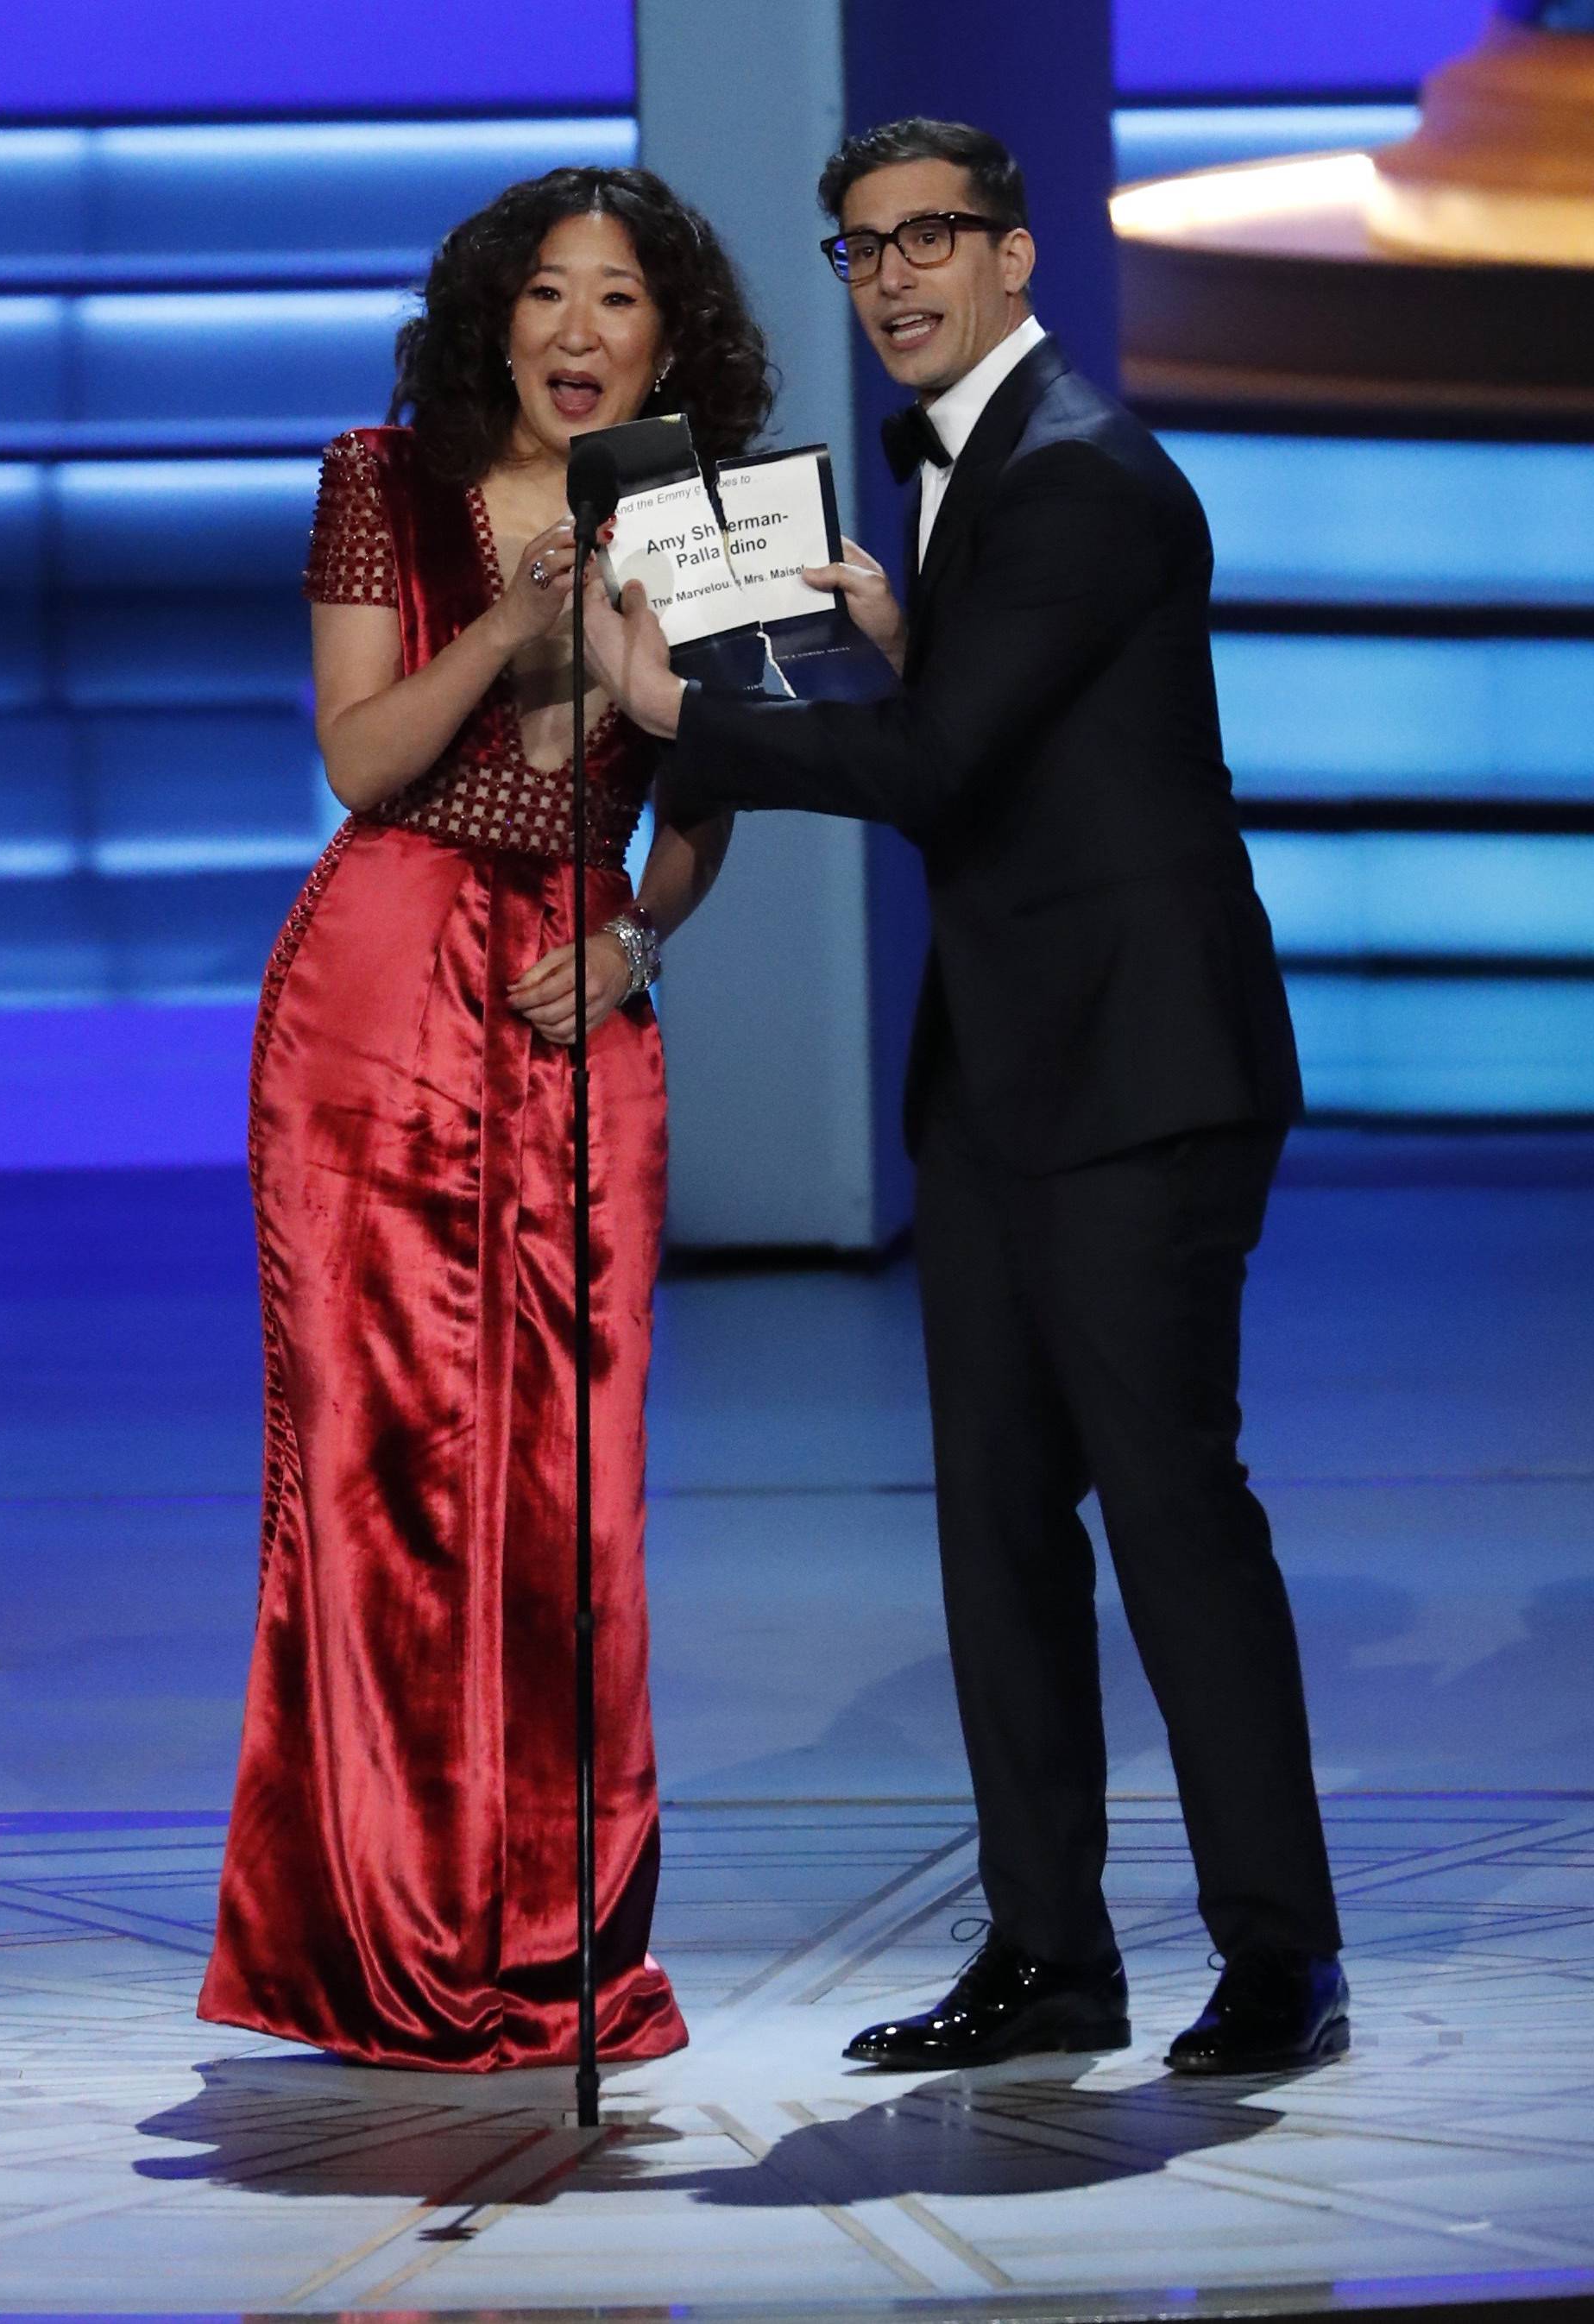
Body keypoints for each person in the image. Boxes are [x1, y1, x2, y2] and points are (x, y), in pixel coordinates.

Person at [583, 118, 1347, 2077]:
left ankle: (1279, 1954)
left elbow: (931, 775)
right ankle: (1050, 1957)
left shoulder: (1080, 476)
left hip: (1138, 1078)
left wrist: (681, 712)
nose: (895, 275)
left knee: (1174, 1514)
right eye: (860, 249)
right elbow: (990, 743)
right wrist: (911, 656)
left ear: (1015, 258)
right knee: (998, 1526)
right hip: (1005, 1076)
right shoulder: (986, 474)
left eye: (930, 239)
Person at [198, 167, 768, 2072]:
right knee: (377, 1482)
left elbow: (710, 809)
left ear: (670, 340)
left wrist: (637, 945)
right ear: (493, 320)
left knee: (576, 1493)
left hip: (579, 1003)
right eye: (546, 295)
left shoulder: (706, 527)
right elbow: (358, 754)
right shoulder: (384, 476)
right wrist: (509, 633)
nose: (579, 332)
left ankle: (562, 1944)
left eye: (620, 300)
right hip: (380, 993)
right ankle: (370, 1941)